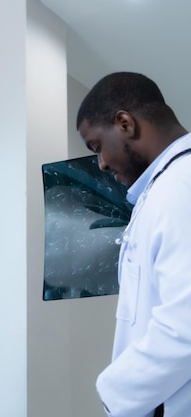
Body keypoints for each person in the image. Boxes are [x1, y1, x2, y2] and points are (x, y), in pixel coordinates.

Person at [77, 72, 191, 417]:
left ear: (125, 123)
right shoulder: (166, 187)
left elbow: (186, 320)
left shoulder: (182, 185)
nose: (101, 164)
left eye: (97, 146)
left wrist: (115, 393)